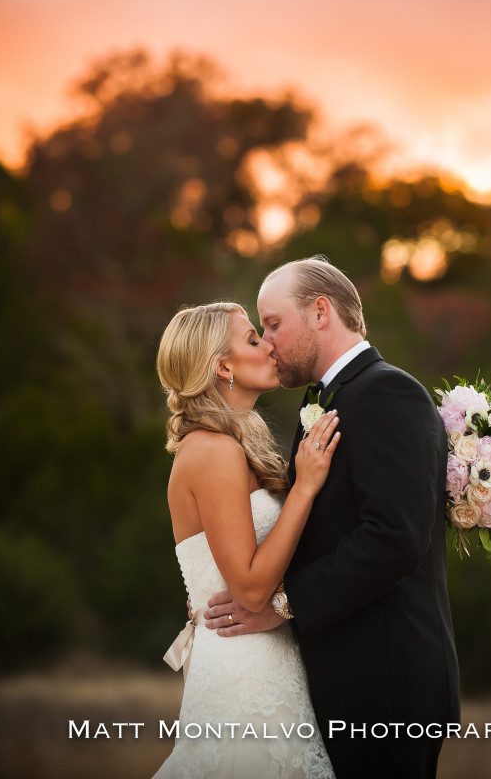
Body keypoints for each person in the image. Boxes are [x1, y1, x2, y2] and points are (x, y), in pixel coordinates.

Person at [202, 257, 460, 779]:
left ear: (321, 312)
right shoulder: (329, 400)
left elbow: (395, 537)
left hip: (386, 688)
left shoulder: (389, 393)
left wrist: (284, 604)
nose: (267, 341)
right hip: (347, 681)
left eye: (273, 324)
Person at [153, 301, 339, 779]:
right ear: (222, 365)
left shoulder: (231, 444)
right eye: (254, 339)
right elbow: (252, 589)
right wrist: (304, 487)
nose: (270, 346)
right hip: (245, 668)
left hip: (264, 656)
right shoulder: (212, 452)